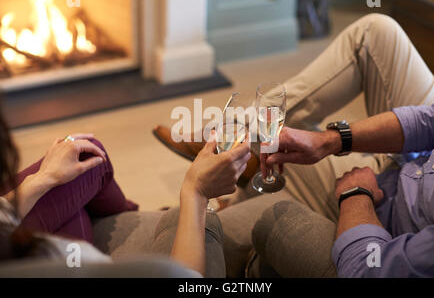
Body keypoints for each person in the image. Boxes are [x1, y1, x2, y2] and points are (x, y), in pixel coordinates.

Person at [153, 13, 434, 277]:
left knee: (278, 145)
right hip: (419, 162)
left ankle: (230, 144)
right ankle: (239, 145)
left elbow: (370, 271)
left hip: (384, 206)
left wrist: (357, 194)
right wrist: (331, 139)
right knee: (376, 32)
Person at [0, 100, 251, 276]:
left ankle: (129, 211)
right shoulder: (68, 259)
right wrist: (195, 192)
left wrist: (43, 178)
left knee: (84, 153)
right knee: (86, 162)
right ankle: (133, 212)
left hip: (12, 222)